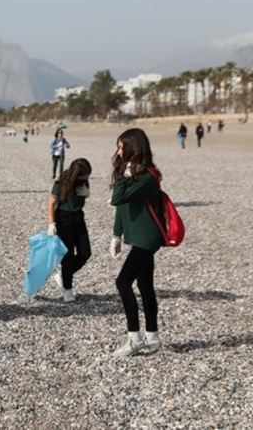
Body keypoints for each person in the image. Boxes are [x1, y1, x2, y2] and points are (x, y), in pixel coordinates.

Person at [109, 129, 165, 357]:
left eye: (122, 147)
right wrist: (116, 235)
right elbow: (122, 208)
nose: (118, 151)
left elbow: (118, 198)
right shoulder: (133, 174)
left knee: (122, 282)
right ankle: (152, 337)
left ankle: (135, 339)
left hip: (147, 237)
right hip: (138, 236)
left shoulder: (148, 176)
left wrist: (124, 176)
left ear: (134, 147)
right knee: (144, 286)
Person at [47, 158, 92, 302]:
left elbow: (81, 198)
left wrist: (87, 193)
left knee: (85, 253)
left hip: (79, 217)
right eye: (84, 175)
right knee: (68, 255)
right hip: (63, 219)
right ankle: (67, 289)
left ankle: (63, 276)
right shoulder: (62, 183)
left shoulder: (83, 182)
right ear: (76, 174)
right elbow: (51, 203)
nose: (87, 178)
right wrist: (51, 223)